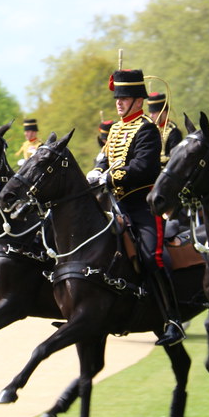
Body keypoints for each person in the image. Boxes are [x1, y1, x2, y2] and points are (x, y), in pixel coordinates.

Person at [86, 67, 185, 346]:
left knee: (152, 257)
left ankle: (173, 320)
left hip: (141, 206)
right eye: (118, 98)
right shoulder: (116, 129)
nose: (119, 102)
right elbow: (105, 158)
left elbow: (143, 167)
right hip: (114, 203)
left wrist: (110, 176)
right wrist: (97, 170)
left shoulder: (147, 129)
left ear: (138, 101)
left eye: (125, 98)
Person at [146, 90, 183, 166]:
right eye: (150, 113)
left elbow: (175, 157)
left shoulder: (173, 132)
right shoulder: (150, 130)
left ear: (164, 112)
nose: (151, 116)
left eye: (153, 113)